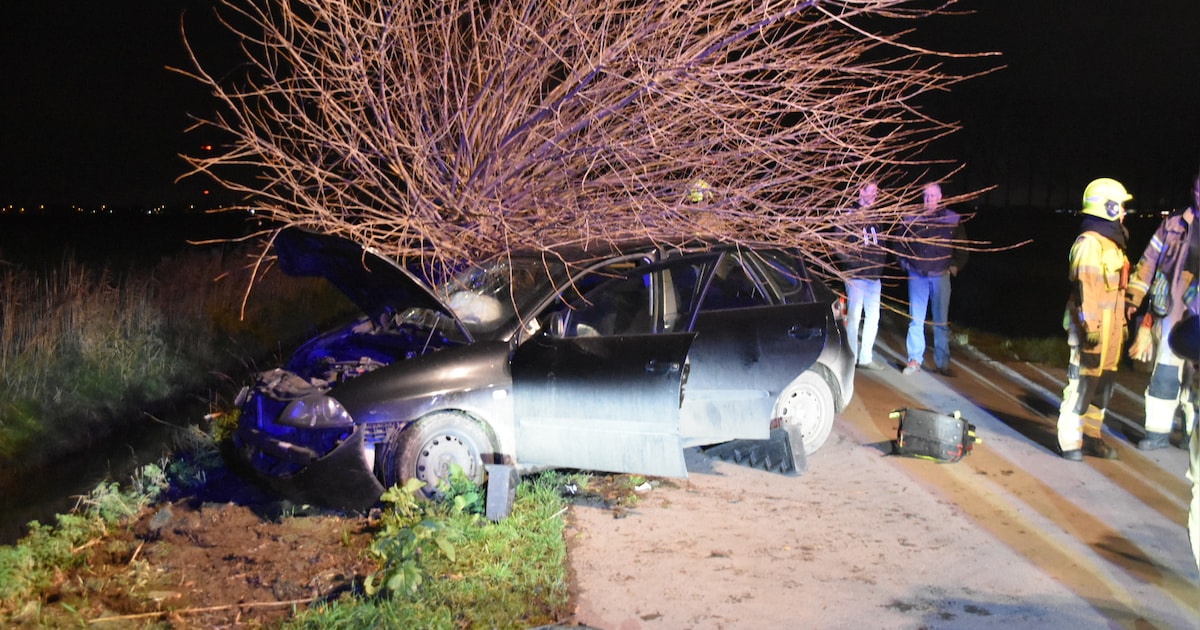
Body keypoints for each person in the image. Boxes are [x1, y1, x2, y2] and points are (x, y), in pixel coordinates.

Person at [1056, 177, 1132, 461]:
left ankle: (1091, 435)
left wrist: (1121, 325)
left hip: (1110, 328)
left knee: (1104, 384)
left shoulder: (1112, 242)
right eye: (1121, 205)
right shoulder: (1089, 243)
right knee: (1082, 382)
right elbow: (1085, 289)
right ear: (1108, 207)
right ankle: (1069, 439)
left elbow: (1115, 291)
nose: (1124, 211)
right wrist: (1091, 327)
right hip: (1092, 329)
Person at [1125, 174, 1199, 451]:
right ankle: (1157, 434)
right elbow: (1148, 263)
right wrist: (1134, 297)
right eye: (1197, 190)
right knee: (1165, 372)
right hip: (1171, 309)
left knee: (1197, 382)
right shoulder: (1173, 224)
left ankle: (1192, 436)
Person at [897, 183, 968, 376]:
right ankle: (914, 360)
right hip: (917, 274)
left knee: (940, 321)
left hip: (940, 276)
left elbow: (962, 248)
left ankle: (942, 363)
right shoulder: (911, 217)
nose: (929, 199)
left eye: (933, 195)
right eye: (926, 195)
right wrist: (905, 263)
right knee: (916, 319)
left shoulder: (952, 219)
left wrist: (955, 266)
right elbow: (899, 243)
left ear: (940, 197)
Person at [836, 181, 888, 370]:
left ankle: (866, 357)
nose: (874, 196)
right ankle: (850, 356)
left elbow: (881, 243)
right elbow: (837, 243)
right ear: (861, 192)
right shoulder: (849, 215)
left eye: (876, 192)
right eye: (871, 192)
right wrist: (851, 262)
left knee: (873, 317)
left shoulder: (877, 217)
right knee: (855, 317)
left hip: (874, 276)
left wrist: (879, 264)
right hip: (856, 275)